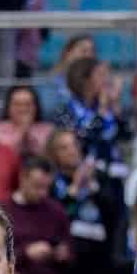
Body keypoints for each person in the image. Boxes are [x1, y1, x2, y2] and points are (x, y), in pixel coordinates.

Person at [48, 127, 124, 274]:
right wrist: (73, 191)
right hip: (68, 261)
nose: (72, 151)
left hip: (100, 257)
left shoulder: (98, 177)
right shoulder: (52, 184)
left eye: (74, 145)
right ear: (54, 155)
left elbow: (115, 212)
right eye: (64, 148)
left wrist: (92, 188)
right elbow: (53, 219)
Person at [6, 157, 71, 274]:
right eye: (37, 186)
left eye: (46, 188)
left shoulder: (56, 211)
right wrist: (26, 253)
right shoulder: (3, 211)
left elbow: (69, 249)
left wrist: (62, 253)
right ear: (23, 178)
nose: (42, 193)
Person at [55, 58, 127, 195]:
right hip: (80, 179)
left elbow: (126, 137)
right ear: (84, 79)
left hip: (112, 176)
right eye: (101, 75)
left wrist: (116, 107)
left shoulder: (108, 107)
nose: (107, 81)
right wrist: (102, 111)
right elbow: (80, 140)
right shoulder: (66, 110)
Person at [0, 86, 52, 159]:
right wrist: (22, 132)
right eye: (17, 104)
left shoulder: (48, 130)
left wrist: (28, 134)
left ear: (36, 107)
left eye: (28, 105)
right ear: (8, 106)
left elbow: (49, 156)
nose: (23, 109)